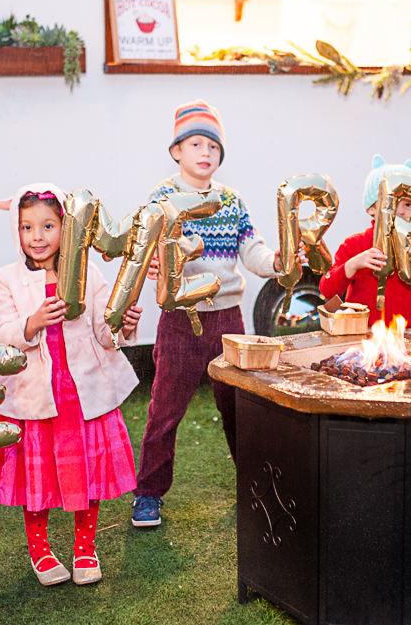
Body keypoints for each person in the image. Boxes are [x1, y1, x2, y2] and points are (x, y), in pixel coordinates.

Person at [131, 99, 282, 528]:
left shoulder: (231, 201)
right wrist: (154, 265)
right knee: (165, 407)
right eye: (194, 143)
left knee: (237, 404)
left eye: (213, 147)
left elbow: (251, 252)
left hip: (228, 319)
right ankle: (148, 494)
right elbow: (147, 252)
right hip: (180, 318)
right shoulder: (162, 199)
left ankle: (253, 481)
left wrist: (278, 262)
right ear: (176, 150)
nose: (204, 153)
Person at [0, 183, 143, 586]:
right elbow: (4, 333)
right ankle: (40, 552)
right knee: (36, 480)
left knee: (84, 475)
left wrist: (123, 324)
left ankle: (85, 548)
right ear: (15, 231)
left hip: (81, 395)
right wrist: (33, 322)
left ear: (66, 228)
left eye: (48, 226)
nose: (37, 237)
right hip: (35, 397)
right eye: (26, 227)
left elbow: (104, 334)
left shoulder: (90, 276)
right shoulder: (7, 278)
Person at [319, 156, 411, 327]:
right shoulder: (355, 244)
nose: (401, 211)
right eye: (391, 203)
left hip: (406, 339)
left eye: (409, 204)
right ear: (371, 209)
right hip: (362, 338)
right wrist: (352, 265)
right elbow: (327, 289)